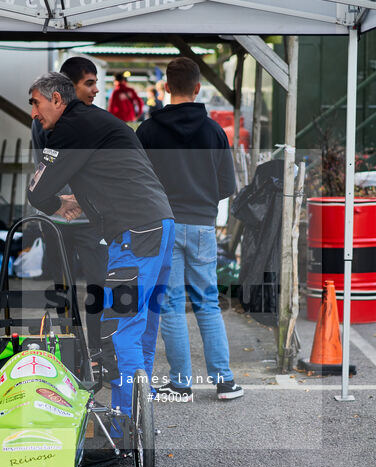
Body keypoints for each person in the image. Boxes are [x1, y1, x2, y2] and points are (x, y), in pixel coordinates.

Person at [26, 72, 174, 419]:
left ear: (57, 100)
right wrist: (85, 198)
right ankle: (141, 417)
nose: (34, 112)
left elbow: (38, 191)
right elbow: (121, 171)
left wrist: (57, 205)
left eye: (36, 103)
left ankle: (126, 421)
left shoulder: (69, 129)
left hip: (135, 232)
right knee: (143, 327)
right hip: (160, 224)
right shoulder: (100, 121)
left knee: (121, 329)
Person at [136, 57, 244, 402]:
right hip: (201, 226)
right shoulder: (213, 131)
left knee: (170, 303)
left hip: (163, 225)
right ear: (198, 88)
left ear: (166, 87)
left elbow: (137, 181)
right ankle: (224, 381)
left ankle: (180, 384)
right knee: (208, 302)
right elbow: (227, 185)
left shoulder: (148, 131)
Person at [30, 57, 108, 355]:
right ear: (67, 90)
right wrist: (62, 201)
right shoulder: (43, 120)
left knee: (98, 286)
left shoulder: (96, 119)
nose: (96, 89)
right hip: (55, 220)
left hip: (91, 221)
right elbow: (47, 168)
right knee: (62, 288)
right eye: (89, 83)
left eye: (96, 82)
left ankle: (98, 351)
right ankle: (69, 350)